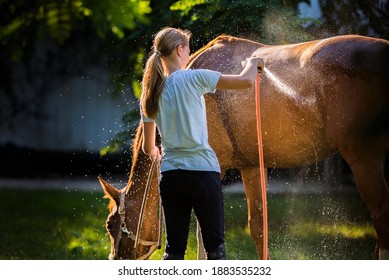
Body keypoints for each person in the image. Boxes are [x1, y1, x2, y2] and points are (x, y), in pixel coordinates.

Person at [140, 27, 264, 260]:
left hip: (171, 177)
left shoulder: (150, 93)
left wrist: (156, 150)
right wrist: (253, 62)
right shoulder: (195, 77)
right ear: (179, 50)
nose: (189, 54)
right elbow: (245, 81)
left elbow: (149, 149)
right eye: (188, 49)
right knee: (214, 249)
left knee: (173, 250)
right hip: (203, 173)